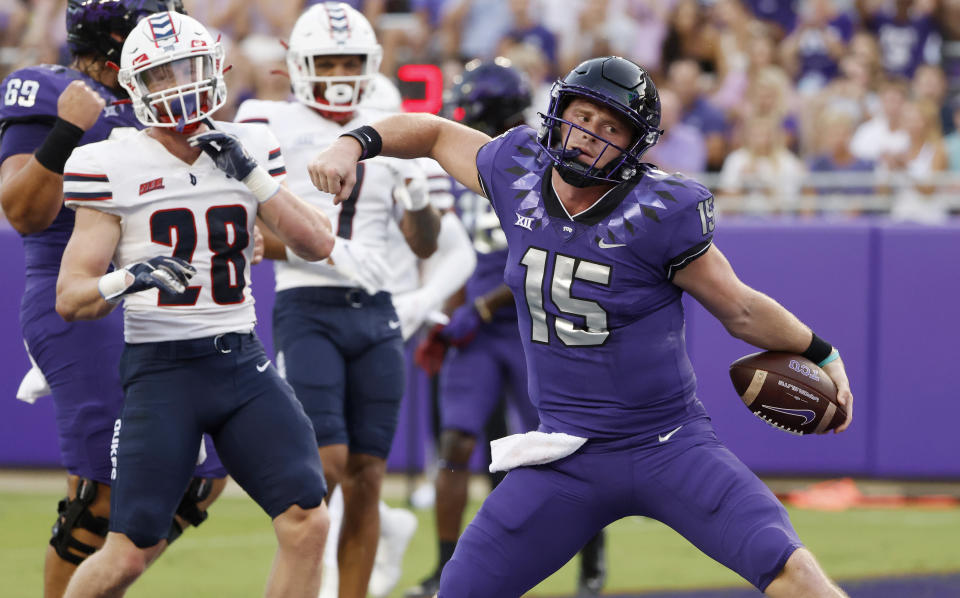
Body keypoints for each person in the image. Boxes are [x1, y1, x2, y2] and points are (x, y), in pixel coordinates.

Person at [309, 55, 855, 598]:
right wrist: (351, 143)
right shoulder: (516, 168)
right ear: (557, 113)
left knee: (793, 572)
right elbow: (429, 132)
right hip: (566, 455)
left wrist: (822, 351)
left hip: (668, 444)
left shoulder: (661, 210)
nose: (590, 135)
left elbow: (739, 308)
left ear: (634, 145)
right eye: (582, 116)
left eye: (610, 127)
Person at [55, 12, 332, 597]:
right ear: (134, 87)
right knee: (127, 554)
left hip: (242, 362)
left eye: (188, 68)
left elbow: (317, 244)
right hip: (162, 372)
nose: (178, 84)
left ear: (217, 69)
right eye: (161, 75)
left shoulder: (249, 142)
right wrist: (128, 277)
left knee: (308, 520)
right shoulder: (111, 160)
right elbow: (72, 297)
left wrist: (254, 177)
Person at [0, 3, 229, 596]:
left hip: (168, 293)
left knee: (202, 477)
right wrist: (66, 130)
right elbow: (23, 213)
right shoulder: (55, 93)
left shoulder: (175, 98)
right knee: (102, 492)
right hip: (81, 294)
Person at [234, 4, 441, 597]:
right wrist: (323, 253)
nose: (341, 71)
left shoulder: (390, 124)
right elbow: (251, 236)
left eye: (352, 60)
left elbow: (423, 242)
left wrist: (420, 194)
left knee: (368, 478)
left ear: (371, 63)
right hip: (309, 306)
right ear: (298, 65)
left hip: (378, 312)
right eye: (328, 60)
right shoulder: (265, 118)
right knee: (322, 466)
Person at [404, 58, 606, 598]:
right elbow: (458, 251)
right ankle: (446, 567)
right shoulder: (468, 161)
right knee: (456, 443)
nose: (459, 113)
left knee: (568, 447)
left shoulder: (544, 164)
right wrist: (447, 318)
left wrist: (483, 307)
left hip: (533, 325)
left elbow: (548, 254)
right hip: (476, 332)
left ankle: (593, 563)